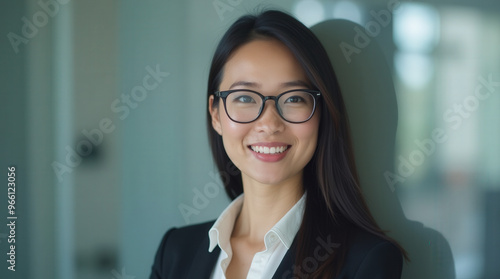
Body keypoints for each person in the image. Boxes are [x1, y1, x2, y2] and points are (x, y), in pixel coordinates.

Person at [150, 10, 408, 279]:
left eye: (294, 98)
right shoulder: (175, 252)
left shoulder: (365, 262)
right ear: (215, 114)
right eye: (245, 98)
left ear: (321, 113)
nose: (270, 123)